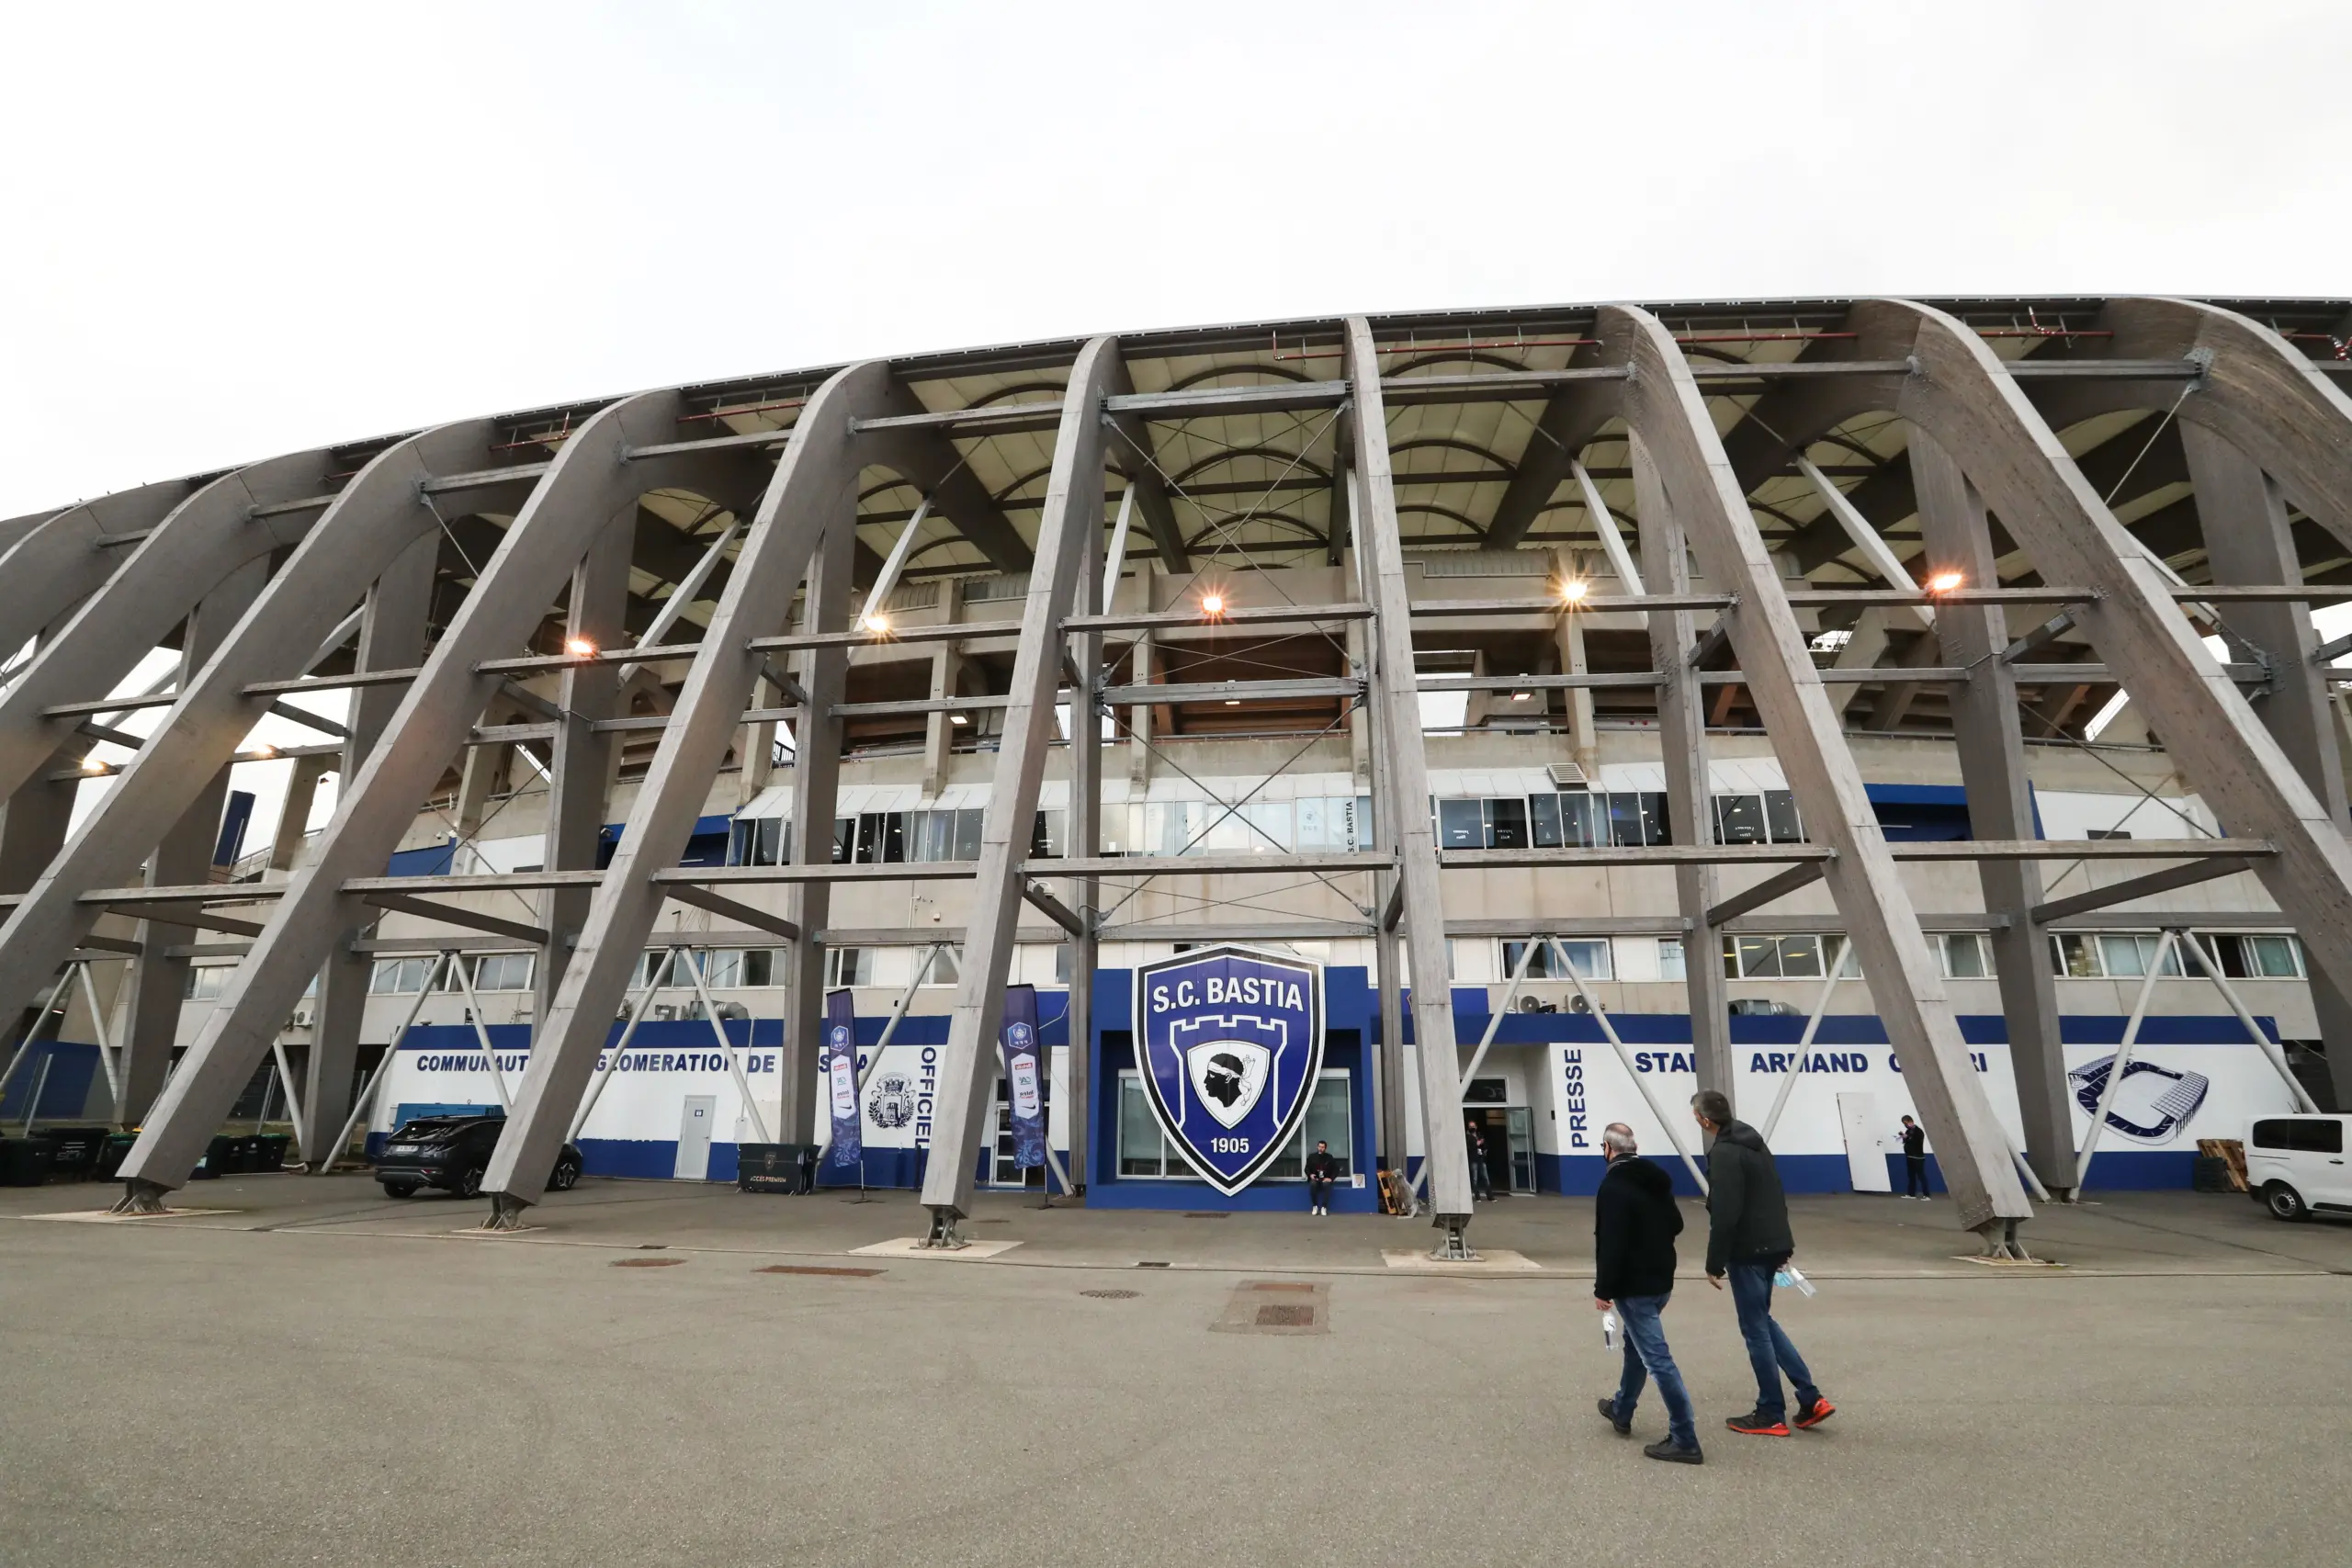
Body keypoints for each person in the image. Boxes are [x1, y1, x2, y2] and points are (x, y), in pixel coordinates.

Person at [1691, 1089, 1835, 1436]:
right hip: (1772, 1246)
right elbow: (1775, 1194)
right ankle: (1810, 1397)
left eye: (1696, 1116)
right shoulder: (1755, 1144)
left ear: (1706, 1120)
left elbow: (1725, 1213)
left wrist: (1714, 1261)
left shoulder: (1724, 1153)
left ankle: (1770, 1412)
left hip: (1748, 1251)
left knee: (1754, 1329)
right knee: (1763, 1321)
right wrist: (1783, 1245)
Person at [1592, 1122, 1702, 1464]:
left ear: (1608, 1149)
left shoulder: (1613, 1186)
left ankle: (1685, 1438)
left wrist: (1603, 1289)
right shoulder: (1657, 1179)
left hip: (1633, 1285)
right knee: (1636, 1347)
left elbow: (1610, 1242)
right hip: (1661, 1280)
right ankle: (1622, 1409)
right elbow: (1677, 1224)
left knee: (1658, 1359)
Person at [1899, 1114, 1931, 1200]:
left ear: (1910, 1121)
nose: (1905, 1125)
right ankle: (1911, 1194)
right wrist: (1904, 1137)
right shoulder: (1908, 1131)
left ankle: (1927, 1195)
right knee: (1911, 1176)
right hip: (1909, 1156)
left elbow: (1916, 1142)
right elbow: (1906, 1141)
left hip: (1918, 1157)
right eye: (1904, 1124)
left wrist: (1908, 1138)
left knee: (1921, 1176)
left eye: (1906, 1123)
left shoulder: (1918, 1131)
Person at [1305, 1140, 1340, 1216]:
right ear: (1317, 1147)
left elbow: (1336, 1169)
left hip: (1325, 1179)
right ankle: (1315, 1206)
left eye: (1322, 1147)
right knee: (1312, 1184)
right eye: (1319, 1147)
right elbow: (1306, 1168)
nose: (1321, 1148)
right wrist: (1310, 1175)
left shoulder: (1329, 1157)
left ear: (1325, 1148)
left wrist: (1331, 1178)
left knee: (1327, 1185)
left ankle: (1324, 1207)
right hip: (1315, 1179)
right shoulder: (1312, 1156)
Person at [1466, 1124, 1496, 1201]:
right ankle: (1477, 1196)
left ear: (1476, 1127)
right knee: (1475, 1179)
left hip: (1481, 1159)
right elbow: (1469, 1148)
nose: (1472, 1128)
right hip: (1473, 1160)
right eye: (1470, 1126)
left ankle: (1490, 1196)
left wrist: (1484, 1149)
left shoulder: (1479, 1135)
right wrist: (1476, 1144)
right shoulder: (1468, 1137)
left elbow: (1484, 1145)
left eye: (1473, 1126)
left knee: (1486, 1177)